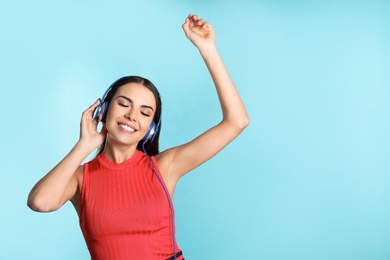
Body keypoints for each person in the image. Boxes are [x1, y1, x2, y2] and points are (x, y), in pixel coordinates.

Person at [27, 14, 250, 260]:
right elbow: (40, 202)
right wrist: (84, 145)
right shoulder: (81, 178)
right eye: (124, 104)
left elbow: (237, 122)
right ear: (104, 110)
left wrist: (208, 49)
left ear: (151, 128)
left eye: (145, 112)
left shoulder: (165, 167)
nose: (132, 116)